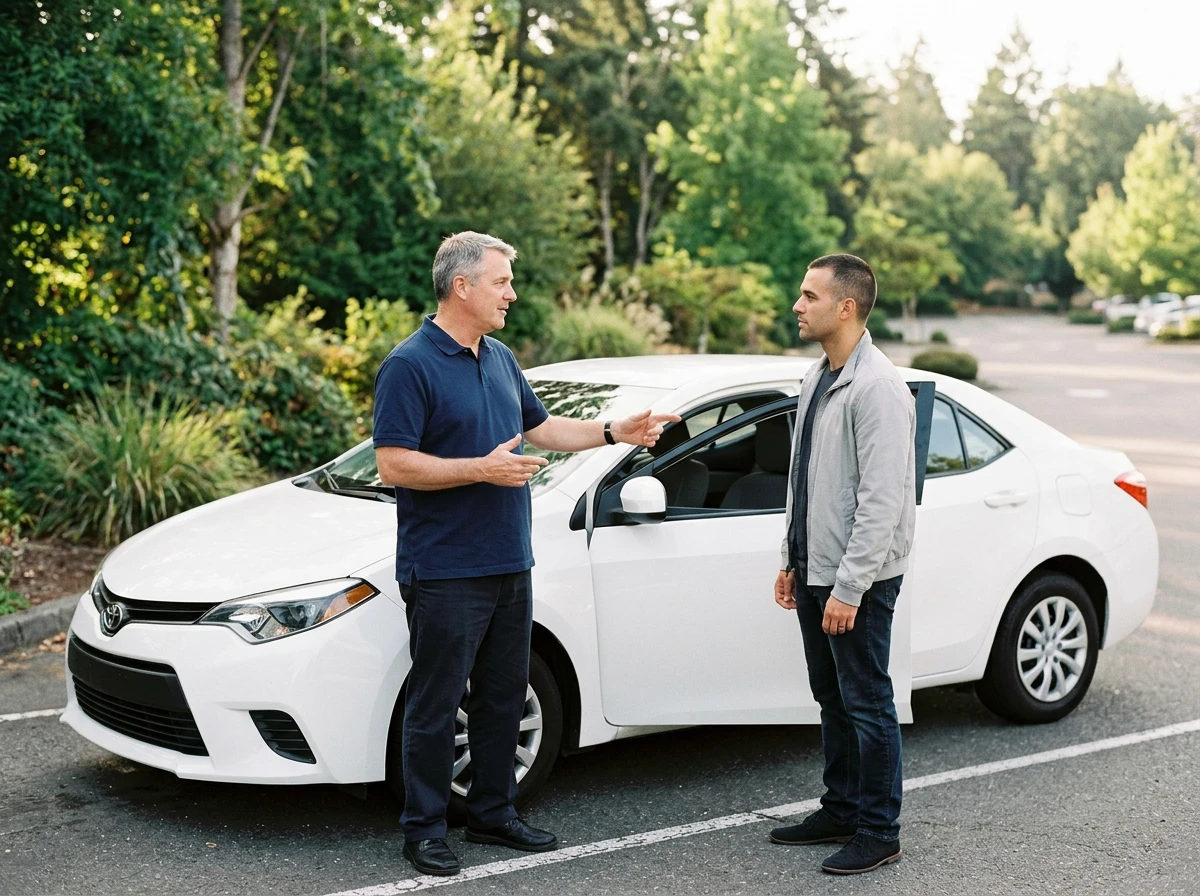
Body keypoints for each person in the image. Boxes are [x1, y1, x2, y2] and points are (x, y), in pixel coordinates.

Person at [372, 231, 680, 878]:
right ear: (462, 286)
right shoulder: (410, 364)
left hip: (510, 560)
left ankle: (492, 812)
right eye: (502, 281)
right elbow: (394, 464)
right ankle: (424, 830)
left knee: (504, 696)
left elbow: (540, 428)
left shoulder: (501, 356)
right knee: (436, 703)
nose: (512, 292)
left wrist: (609, 432)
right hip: (445, 569)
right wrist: (478, 471)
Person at [768, 253, 916, 875]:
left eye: (808, 296)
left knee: (866, 700)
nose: (797, 306)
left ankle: (879, 829)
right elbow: (805, 479)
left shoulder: (877, 387)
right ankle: (842, 805)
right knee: (831, 695)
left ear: (845, 306)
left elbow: (882, 503)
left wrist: (850, 588)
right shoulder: (817, 377)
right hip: (815, 566)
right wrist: (790, 557)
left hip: (859, 576)